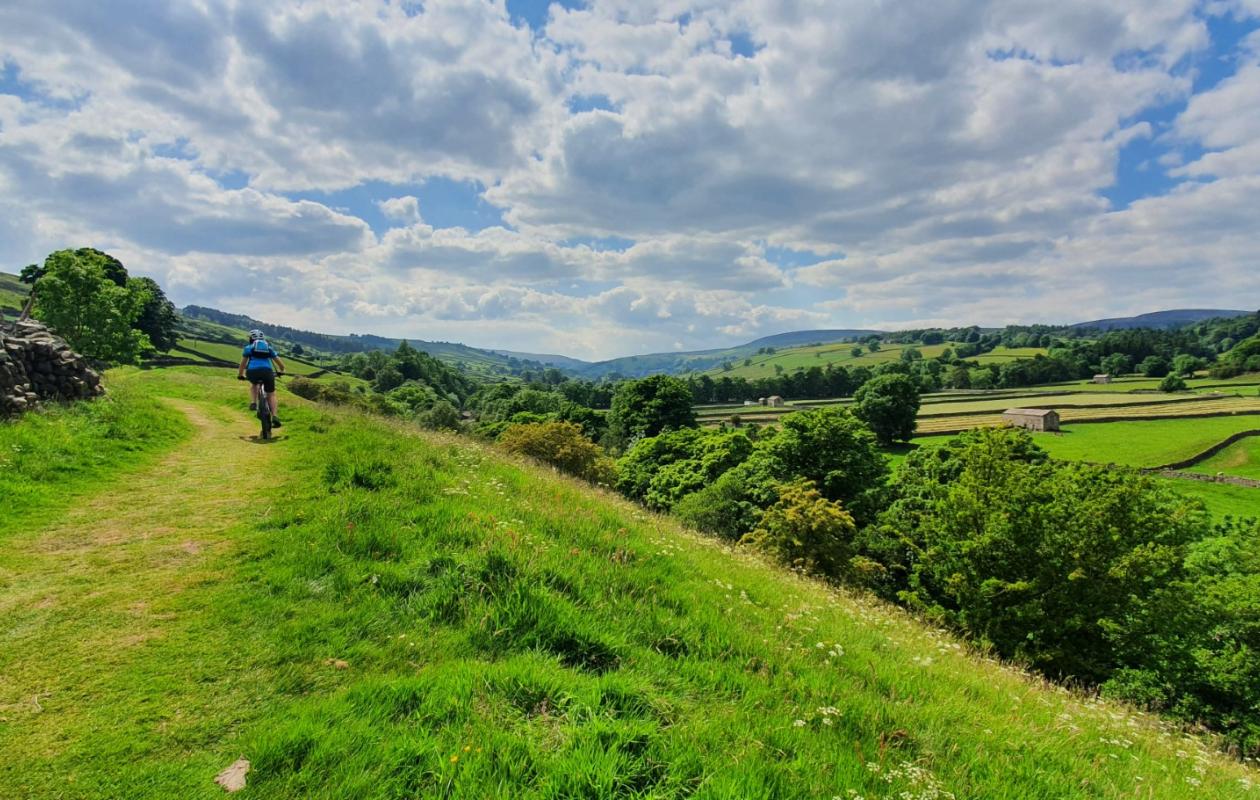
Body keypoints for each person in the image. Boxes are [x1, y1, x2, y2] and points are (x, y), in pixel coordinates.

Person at [237, 329, 286, 427]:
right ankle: (275, 417)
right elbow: (280, 364)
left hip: (252, 372)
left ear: (251, 339)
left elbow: (242, 365)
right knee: (271, 394)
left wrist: (241, 375)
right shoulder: (269, 348)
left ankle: (253, 403)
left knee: (254, 384)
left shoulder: (249, 348)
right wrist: (281, 371)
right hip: (267, 372)